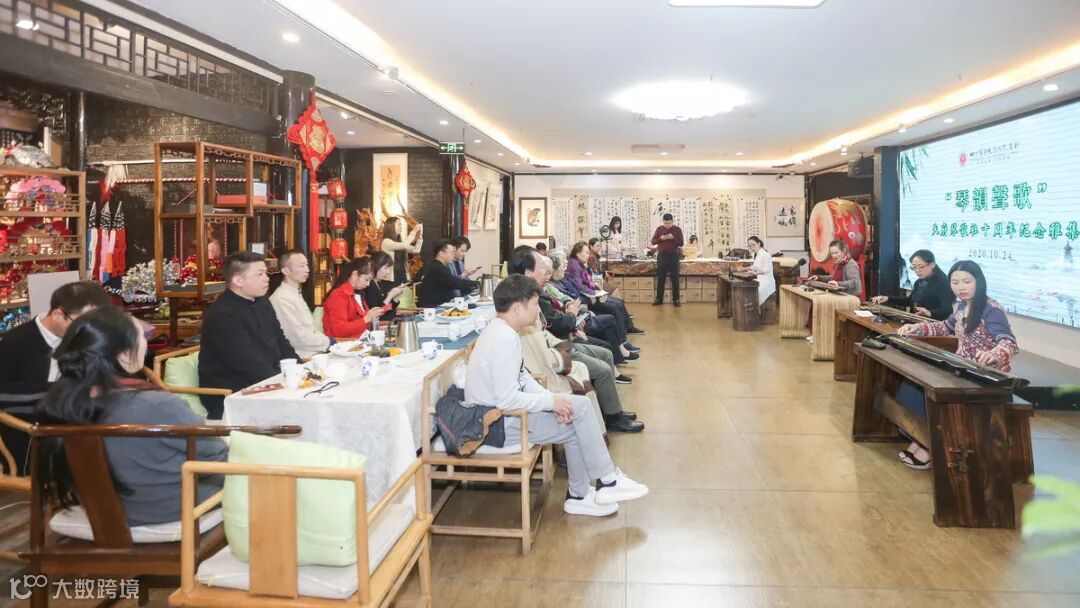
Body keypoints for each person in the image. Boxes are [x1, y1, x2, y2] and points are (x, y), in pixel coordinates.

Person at [465, 274, 649, 516]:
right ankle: (605, 481)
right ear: (517, 307)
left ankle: (583, 493)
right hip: (494, 426)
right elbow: (507, 399)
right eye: (534, 304)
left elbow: (523, 378)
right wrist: (551, 401)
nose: (537, 310)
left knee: (577, 412)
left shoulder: (504, 330)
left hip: (502, 416)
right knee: (579, 412)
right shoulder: (503, 339)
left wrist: (554, 402)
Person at [37, 306, 227, 526]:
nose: (146, 344)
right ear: (125, 356)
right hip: (166, 509)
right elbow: (216, 456)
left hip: (96, 508)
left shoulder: (62, 401)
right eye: (142, 338)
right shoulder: (154, 405)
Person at [894, 260, 1019, 469]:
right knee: (913, 384)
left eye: (967, 282)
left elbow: (1009, 343)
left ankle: (929, 445)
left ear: (979, 281)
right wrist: (917, 328)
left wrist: (993, 354)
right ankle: (921, 437)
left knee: (930, 389)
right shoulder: (962, 306)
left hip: (985, 376)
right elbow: (946, 326)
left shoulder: (991, 309)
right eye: (955, 282)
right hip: (962, 369)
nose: (961, 287)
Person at [511, 246, 643, 433]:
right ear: (527, 272)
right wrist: (571, 320)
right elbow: (550, 331)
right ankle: (612, 417)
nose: (549, 273)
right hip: (556, 354)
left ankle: (612, 412)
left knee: (606, 352)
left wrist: (571, 319)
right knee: (603, 368)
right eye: (542, 267)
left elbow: (547, 327)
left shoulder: (536, 292)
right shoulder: (524, 302)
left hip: (562, 343)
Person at [0, 281, 112, 475]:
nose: (88, 330)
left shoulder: (82, 339)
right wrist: (60, 390)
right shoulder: (14, 342)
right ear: (59, 315)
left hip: (75, 421)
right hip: (29, 430)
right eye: (83, 323)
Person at [199, 251, 297, 419]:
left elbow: (280, 340)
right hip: (232, 390)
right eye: (260, 274)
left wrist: (299, 370)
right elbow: (246, 361)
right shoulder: (222, 314)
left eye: (266, 273)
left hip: (266, 380)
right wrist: (282, 383)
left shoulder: (262, 302)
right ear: (238, 281)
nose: (267, 279)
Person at [548, 252, 638, 364]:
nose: (566, 265)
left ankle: (620, 350)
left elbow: (576, 291)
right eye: (563, 263)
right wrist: (587, 300)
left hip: (583, 307)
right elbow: (575, 296)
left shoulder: (564, 277)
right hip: (578, 317)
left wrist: (593, 291)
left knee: (617, 304)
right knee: (611, 313)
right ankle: (620, 351)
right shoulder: (555, 284)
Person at [564, 241, 644, 335]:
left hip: (594, 294)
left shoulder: (580, 264)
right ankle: (622, 335)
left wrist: (596, 288)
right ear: (578, 254)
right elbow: (580, 287)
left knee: (618, 302)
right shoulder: (574, 266)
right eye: (586, 253)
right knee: (614, 306)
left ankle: (628, 328)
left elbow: (589, 280)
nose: (588, 255)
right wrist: (593, 293)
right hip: (589, 298)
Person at [269, 250, 332, 359]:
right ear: (286, 270)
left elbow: (309, 329)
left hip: (315, 352)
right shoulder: (281, 298)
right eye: (301, 266)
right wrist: (328, 342)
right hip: (302, 357)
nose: (307, 270)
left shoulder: (294, 292)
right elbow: (297, 337)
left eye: (307, 265)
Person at [869, 249, 954, 320]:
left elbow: (948, 310)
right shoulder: (919, 282)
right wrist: (888, 298)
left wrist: (929, 312)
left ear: (932, 264)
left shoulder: (944, 283)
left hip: (936, 325)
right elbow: (910, 301)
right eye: (914, 267)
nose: (917, 270)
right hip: (918, 321)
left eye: (921, 267)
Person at [804, 240, 862, 343]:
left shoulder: (851, 264)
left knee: (823, 305)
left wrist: (838, 284)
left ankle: (822, 336)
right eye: (832, 253)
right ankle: (817, 333)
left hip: (849, 297)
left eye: (836, 253)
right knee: (817, 303)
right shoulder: (838, 263)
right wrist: (819, 277)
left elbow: (854, 283)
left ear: (844, 251)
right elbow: (832, 277)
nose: (834, 256)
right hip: (839, 295)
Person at [322, 256, 385, 340]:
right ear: (355, 275)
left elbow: (365, 322)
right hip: (344, 344)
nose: (368, 284)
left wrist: (374, 317)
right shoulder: (338, 295)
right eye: (367, 279)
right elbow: (339, 330)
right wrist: (366, 319)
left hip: (360, 340)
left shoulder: (357, 293)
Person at [417, 239, 479, 307]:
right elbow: (454, 282)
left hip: (442, 304)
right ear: (441, 253)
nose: (453, 255)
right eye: (451, 253)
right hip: (433, 308)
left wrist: (474, 284)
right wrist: (476, 283)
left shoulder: (438, 265)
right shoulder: (437, 268)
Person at [651, 213, 685, 306]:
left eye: (669, 223)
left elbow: (681, 243)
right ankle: (659, 299)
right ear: (663, 222)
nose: (667, 225)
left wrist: (673, 238)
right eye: (665, 223)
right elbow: (653, 241)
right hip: (662, 256)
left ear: (672, 221)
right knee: (661, 278)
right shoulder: (659, 229)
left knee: (675, 278)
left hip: (674, 256)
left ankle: (676, 299)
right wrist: (661, 238)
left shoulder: (677, 229)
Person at [365, 251, 409, 321]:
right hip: (380, 324)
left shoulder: (379, 283)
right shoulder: (369, 285)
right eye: (385, 268)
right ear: (376, 267)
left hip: (389, 322)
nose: (388, 272)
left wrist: (396, 298)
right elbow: (377, 314)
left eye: (389, 269)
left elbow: (388, 312)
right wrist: (390, 296)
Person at [381, 216, 423, 284]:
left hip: (402, 276)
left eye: (401, 225)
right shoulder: (386, 242)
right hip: (392, 278)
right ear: (391, 226)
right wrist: (413, 231)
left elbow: (416, 250)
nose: (401, 227)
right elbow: (404, 245)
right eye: (399, 225)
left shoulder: (400, 242)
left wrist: (420, 237)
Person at [746, 236, 777, 307]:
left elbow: (767, 269)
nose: (752, 247)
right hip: (760, 278)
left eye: (753, 245)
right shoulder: (758, 254)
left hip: (767, 281)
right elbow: (754, 266)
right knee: (749, 286)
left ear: (759, 243)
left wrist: (757, 272)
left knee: (754, 289)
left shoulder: (765, 254)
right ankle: (752, 307)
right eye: (749, 246)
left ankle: (754, 307)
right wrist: (744, 269)